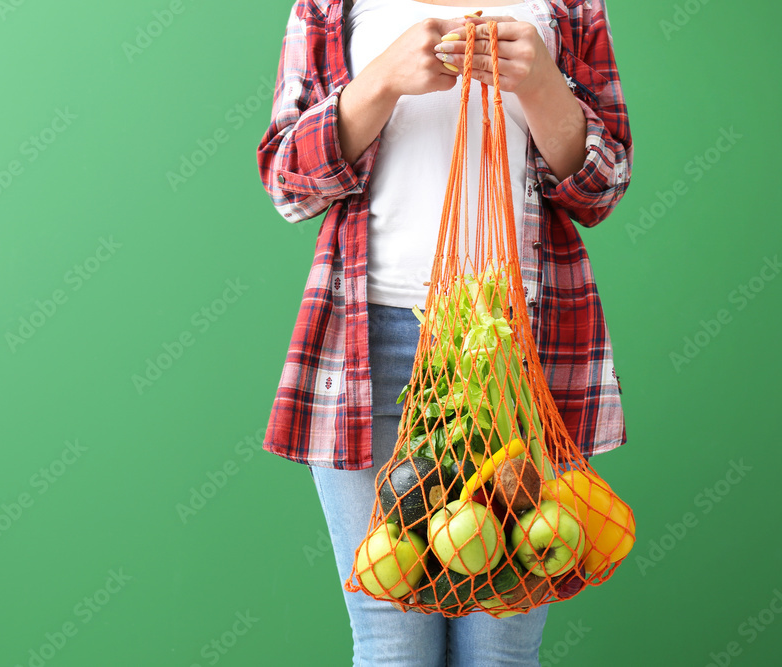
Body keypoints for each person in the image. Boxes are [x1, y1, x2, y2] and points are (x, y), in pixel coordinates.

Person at [255, 0, 632, 664]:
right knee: (393, 640)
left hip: (523, 350)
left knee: (503, 645)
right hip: (369, 348)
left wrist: (542, 84)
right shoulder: (330, 7)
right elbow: (289, 183)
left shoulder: (571, 7)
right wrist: (380, 81)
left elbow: (602, 188)